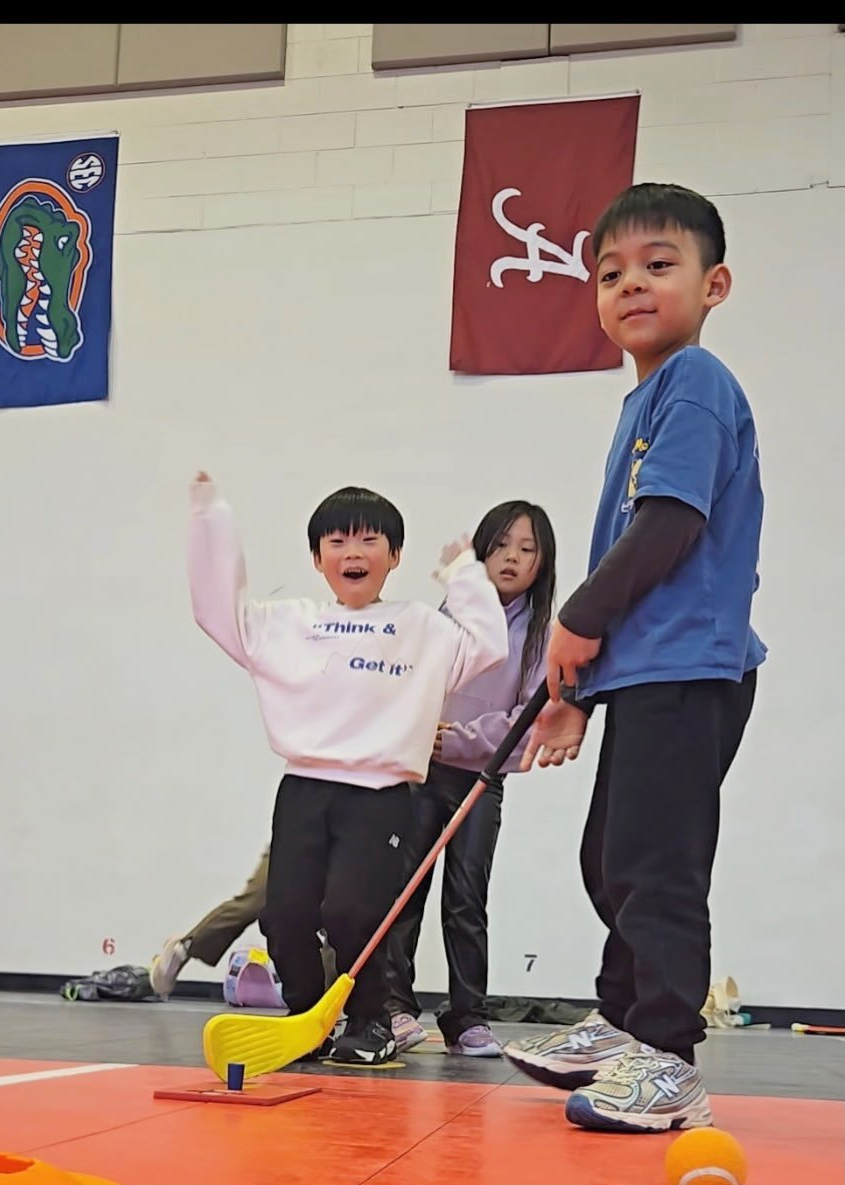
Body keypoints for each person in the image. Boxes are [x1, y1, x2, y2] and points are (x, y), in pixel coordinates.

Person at [503, 183, 766, 1134]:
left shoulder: (696, 381)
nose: (631, 286)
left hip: (694, 671)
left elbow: (667, 528)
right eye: (610, 273)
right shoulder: (644, 399)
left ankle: (666, 1060)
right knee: (609, 859)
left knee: (654, 868)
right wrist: (581, 686)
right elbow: (638, 548)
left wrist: (572, 620)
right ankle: (621, 1026)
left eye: (659, 265)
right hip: (649, 673)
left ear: (713, 284)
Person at [188, 475, 509, 1065]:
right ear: (317, 558)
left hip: (381, 794)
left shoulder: (422, 628)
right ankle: (307, 1017)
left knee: (352, 912)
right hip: (304, 789)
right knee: (284, 914)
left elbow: (488, 646)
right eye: (337, 542)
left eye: (368, 541)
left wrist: (464, 574)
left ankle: (371, 1022)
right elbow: (217, 611)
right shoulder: (290, 623)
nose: (352, 553)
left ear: (394, 556)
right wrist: (213, 520)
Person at [385, 500, 556, 1057]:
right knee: (403, 892)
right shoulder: (450, 613)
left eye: (527, 549)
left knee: (466, 898)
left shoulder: (543, 637)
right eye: (502, 544)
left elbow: (526, 722)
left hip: (481, 779)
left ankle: (467, 1018)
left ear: (541, 563)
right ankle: (395, 1009)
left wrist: (458, 737)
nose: (512, 558)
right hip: (420, 772)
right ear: (481, 552)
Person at [149, 849, 336, 1001]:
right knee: (255, 902)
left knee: (337, 919)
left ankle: (326, 1002)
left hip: (350, 837)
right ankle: (183, 948)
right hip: (301, 829)